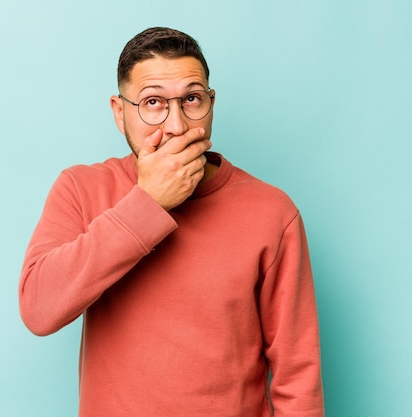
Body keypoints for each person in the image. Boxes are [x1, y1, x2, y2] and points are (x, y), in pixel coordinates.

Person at [19, 27, 324, 417]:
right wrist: (147, 203)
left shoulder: (272, 212)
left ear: (211, 103)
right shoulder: (81, 189)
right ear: (119, 112)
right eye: (153, 103)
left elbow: (298, 373)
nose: (177, 125)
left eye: (192, 99)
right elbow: (39, 310)